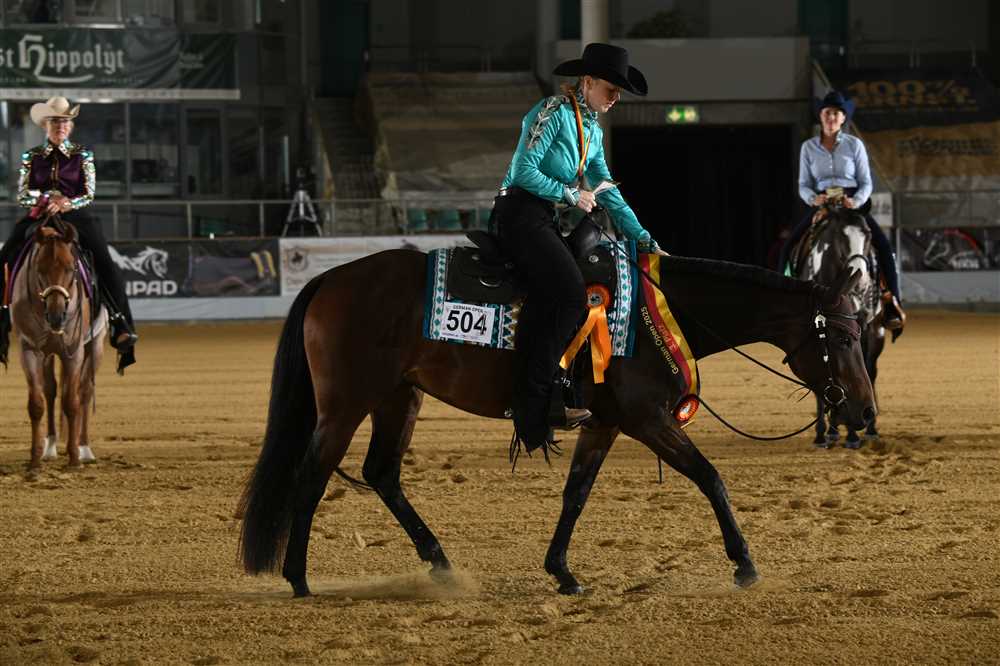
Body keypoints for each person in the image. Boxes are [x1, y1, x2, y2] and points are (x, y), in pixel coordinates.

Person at [492, 43, 667, 454]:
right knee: (571, 295)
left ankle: (559, 386)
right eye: (611, 88)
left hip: (542, 218)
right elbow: (522, 170)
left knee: (572, 289)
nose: (616, 97)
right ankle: (534, 403)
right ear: (587, 82)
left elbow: (608, 194)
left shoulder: (592, 131)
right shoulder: (551, 112)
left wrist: (644, 240)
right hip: (518, 213)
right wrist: (571, 194)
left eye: (619, 92)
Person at [0, 97, 137, 370]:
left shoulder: (83, 155)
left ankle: (120, 323)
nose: (60, 126)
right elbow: (22, 194)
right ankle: (2, 322)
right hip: (40, 214)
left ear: (70, 126)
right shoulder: (31, 156)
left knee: (105, 262)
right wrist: (44, 199)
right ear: (45, 125)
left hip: (75, 215)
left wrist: (66, 203)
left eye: (64, 121)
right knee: (5, 257)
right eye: (55, 121)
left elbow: (89, 192)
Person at [780, 90, 905, 332]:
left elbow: (866, 182)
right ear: (821, 115)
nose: (831, 117)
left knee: (884, 247)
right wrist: (813, 198)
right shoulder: (808, 147)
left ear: (843, 118)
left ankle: (892, 303)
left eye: (836, 113)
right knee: (789, 247)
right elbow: (803, 184)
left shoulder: (854, 144)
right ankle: (786, 304)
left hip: (851, 204)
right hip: (824, 203)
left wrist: (855, 201)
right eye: (827, 112)